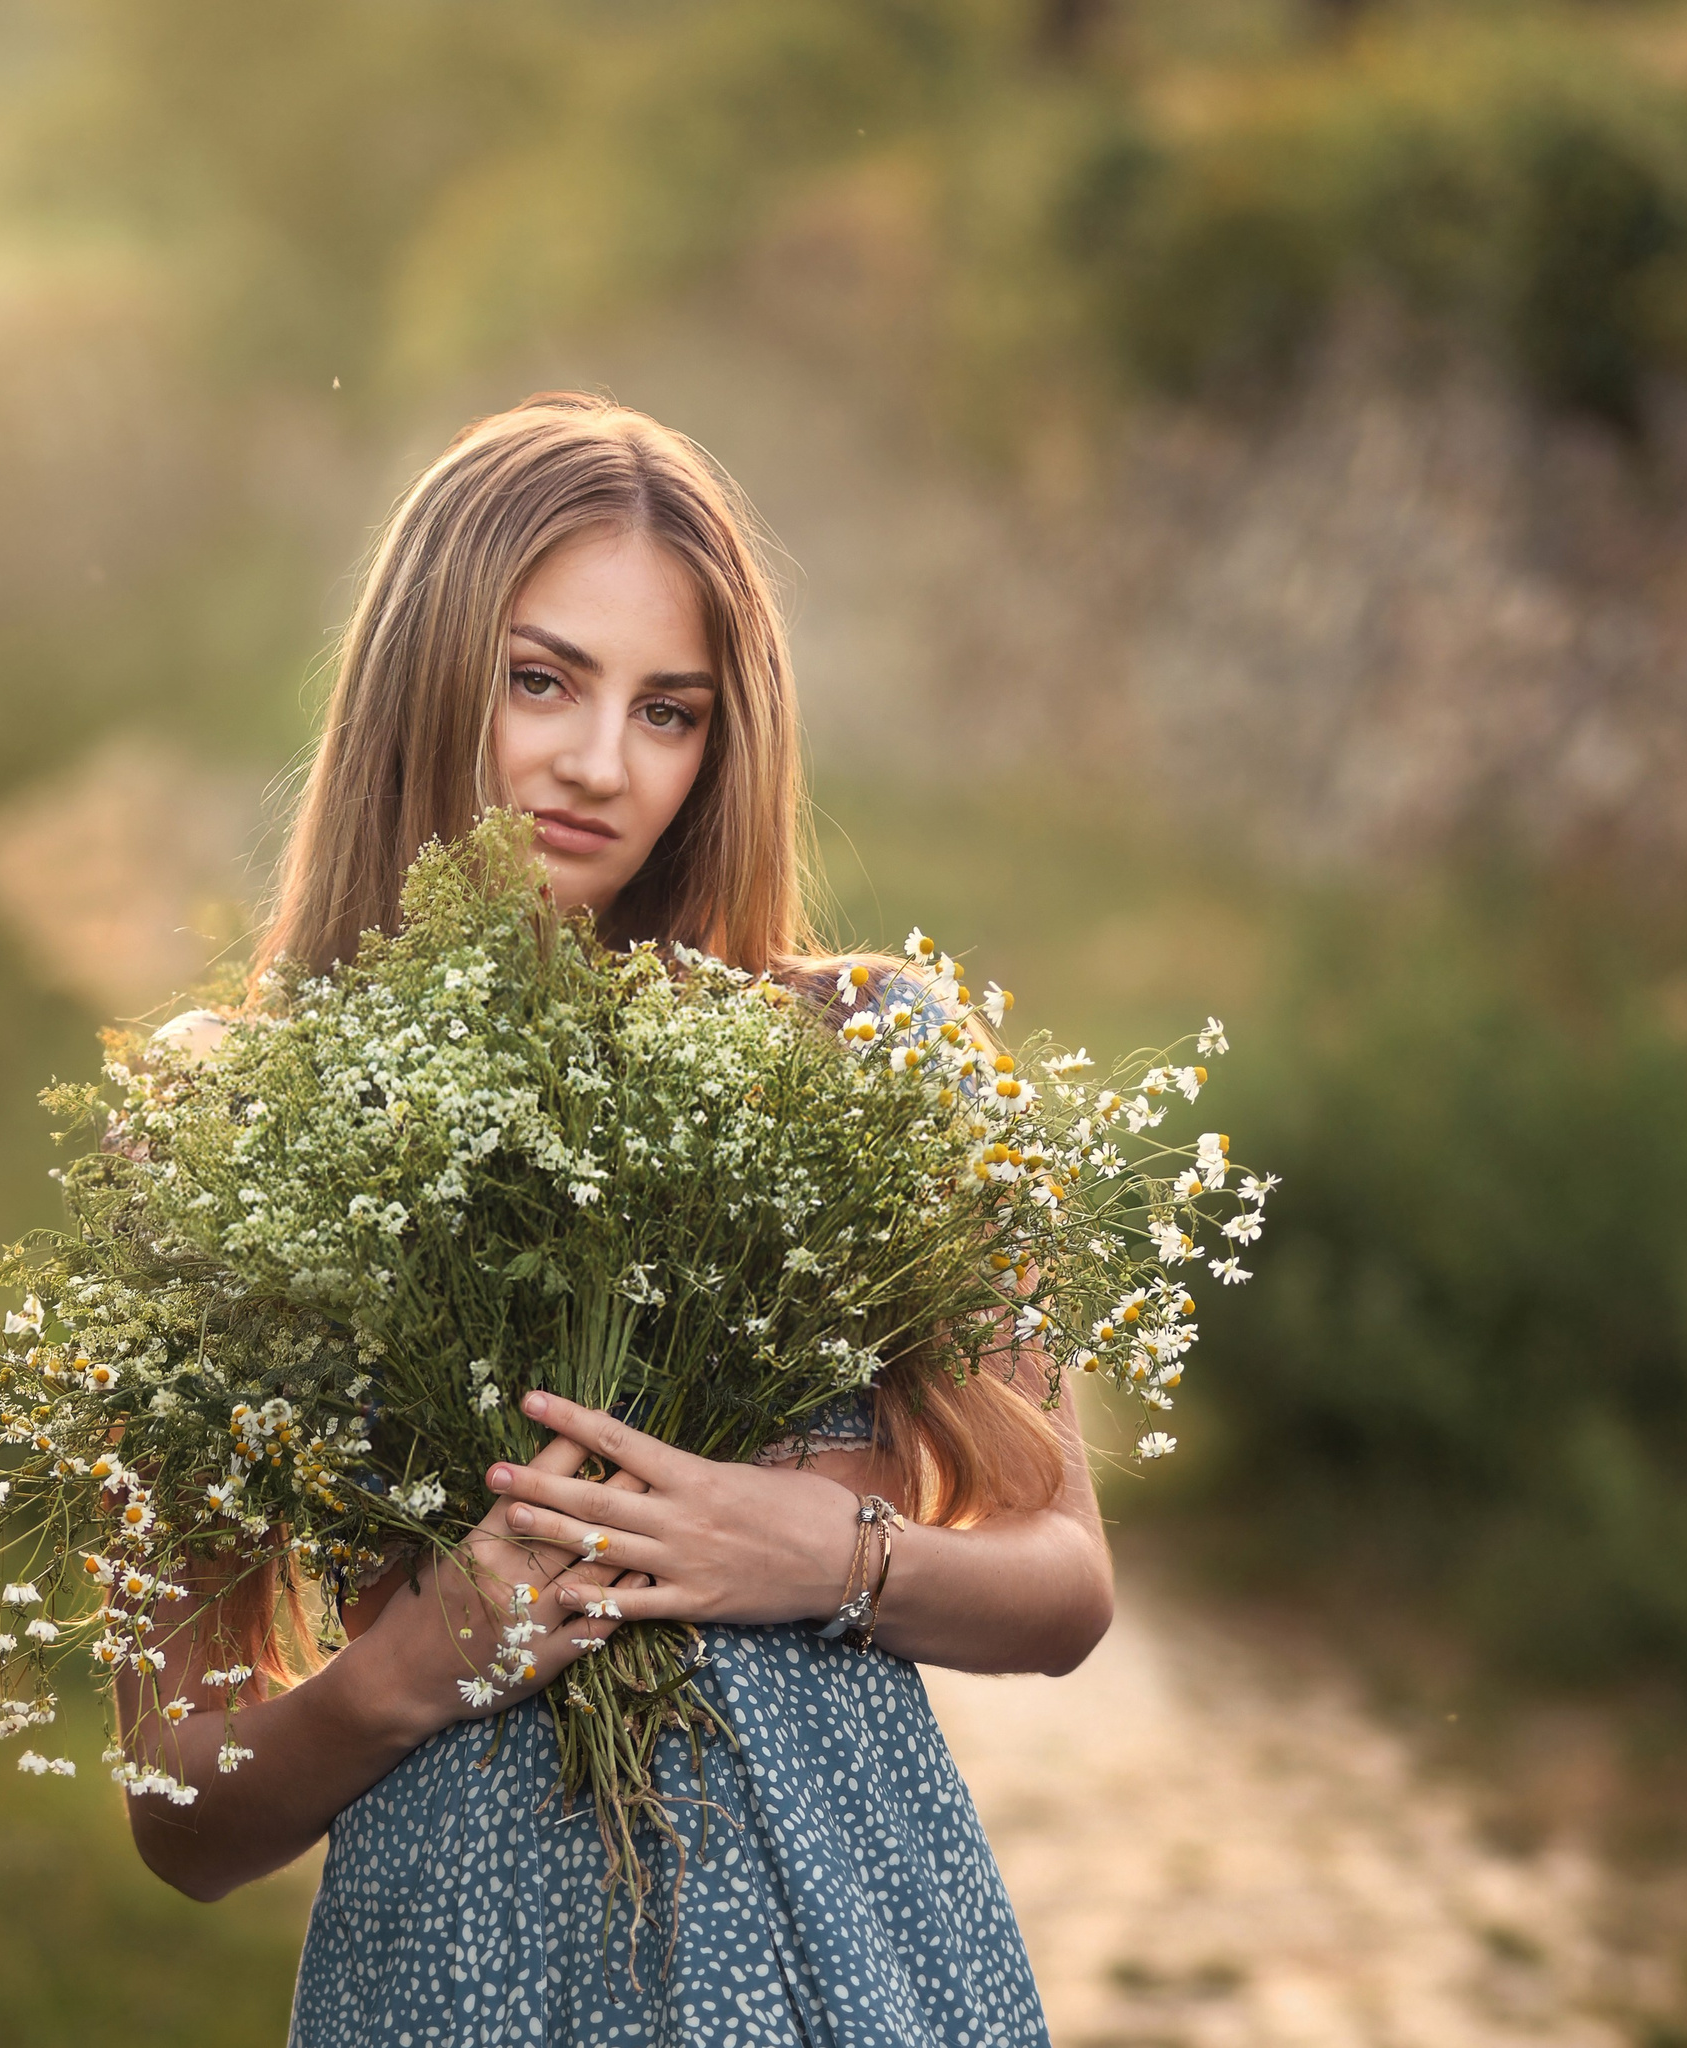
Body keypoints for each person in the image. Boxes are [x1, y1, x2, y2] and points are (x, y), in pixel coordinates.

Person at [123, 393, 1114, 2046]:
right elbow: (178, 1812)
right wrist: (412, 1667)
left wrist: (820, 1554)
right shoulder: (230, 1115)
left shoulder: (873, 1046)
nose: (600, 765)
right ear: (424, 676)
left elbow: (1067, 1583)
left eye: (671, 713)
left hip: (849, 1956)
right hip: (457, 1983)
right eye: (541, 681)